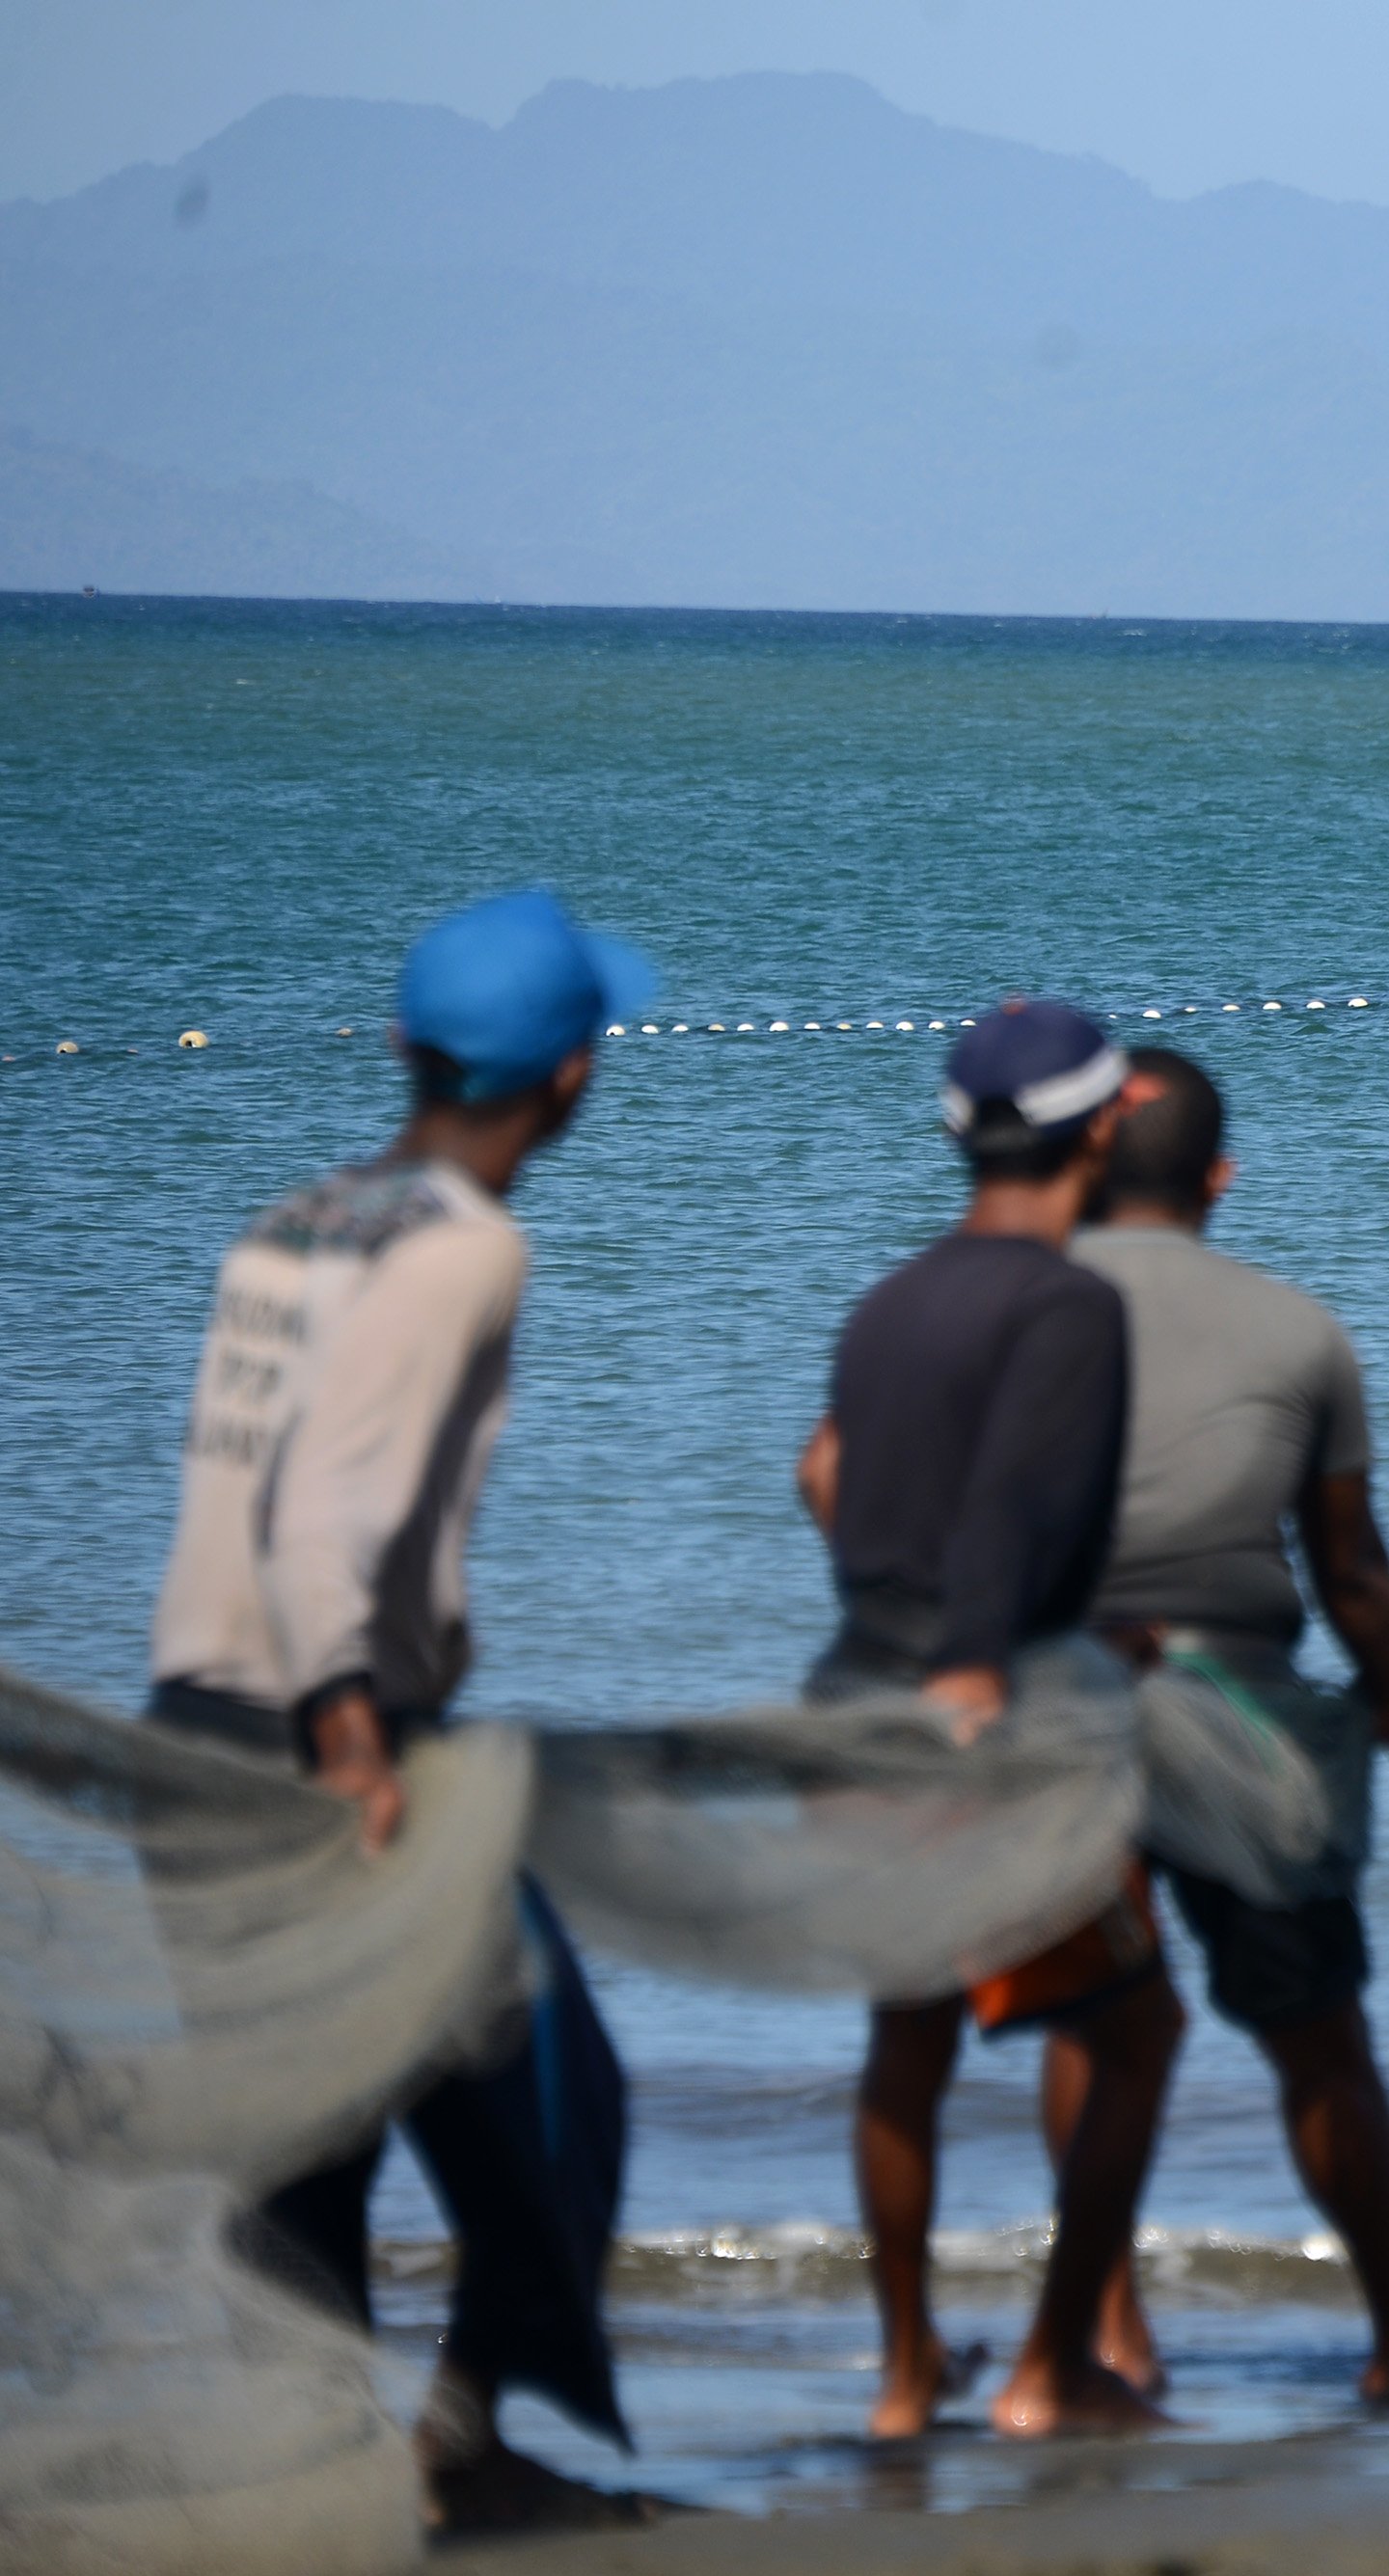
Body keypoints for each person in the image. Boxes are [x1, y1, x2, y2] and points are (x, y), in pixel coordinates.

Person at [144, 887, 656, 2532]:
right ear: (574, 1075)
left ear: (399, 1049)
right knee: (563, 2098)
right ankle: (455, 2443)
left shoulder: (294, 1219)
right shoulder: (466, 1248)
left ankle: (321, 2487)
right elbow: (321, 1519)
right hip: (330, 1736)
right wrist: (357, 1750)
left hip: (192, 1734)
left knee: (309, 2148)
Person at [1070, 1046, 1389, 2401]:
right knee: (1318, 2032)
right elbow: (1351, 1564)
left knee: (1094, 2017)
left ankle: (1105, 2334)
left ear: (1087, 1158)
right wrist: (1381, 1698)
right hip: (1247, 1709)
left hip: (1061, 1699)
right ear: (1221, 1175)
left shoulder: (1024, 1307)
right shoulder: (1294, 1329)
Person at [791, 999, 1185, 2439]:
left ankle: (905, 2374)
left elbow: (820, 1469)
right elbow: (1019, 1506)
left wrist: (902, 1615)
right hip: (987, 1716)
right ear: (1105, 1127)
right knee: (1136, 2027)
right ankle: (1050, 2364)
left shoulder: (890, 1299)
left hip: (859, 1696)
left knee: (908, 2031)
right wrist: (997, 1660)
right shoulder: (1070, 1302)